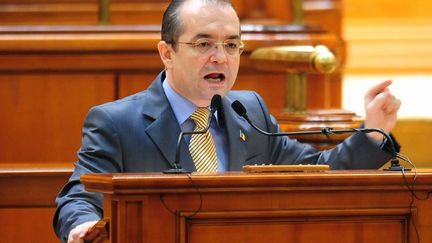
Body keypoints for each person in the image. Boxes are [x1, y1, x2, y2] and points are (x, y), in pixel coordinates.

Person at [53, 0, 402, 242]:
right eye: (204, 43)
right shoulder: (116, 121)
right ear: (167, 53)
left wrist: (372, 134)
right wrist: (83, 225)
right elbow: (77, 198)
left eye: (232, 45)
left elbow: (318, 174)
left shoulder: (249, 111)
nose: (220, 57)